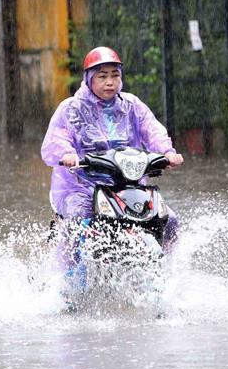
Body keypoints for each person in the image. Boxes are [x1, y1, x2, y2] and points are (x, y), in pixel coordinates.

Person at [41, 47, 183, 291]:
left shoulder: (132, 106)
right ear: (88, 78)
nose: (109, 82)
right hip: (82, 186)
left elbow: (152, 129)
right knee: (78, 223)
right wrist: (67, 154)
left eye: (114, 75)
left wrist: (167, 153)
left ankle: (168, 279)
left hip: (127, 184)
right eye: (102, 76)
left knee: (169, 221)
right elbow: (57, 139)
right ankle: (65, 284)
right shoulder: (71, 108)